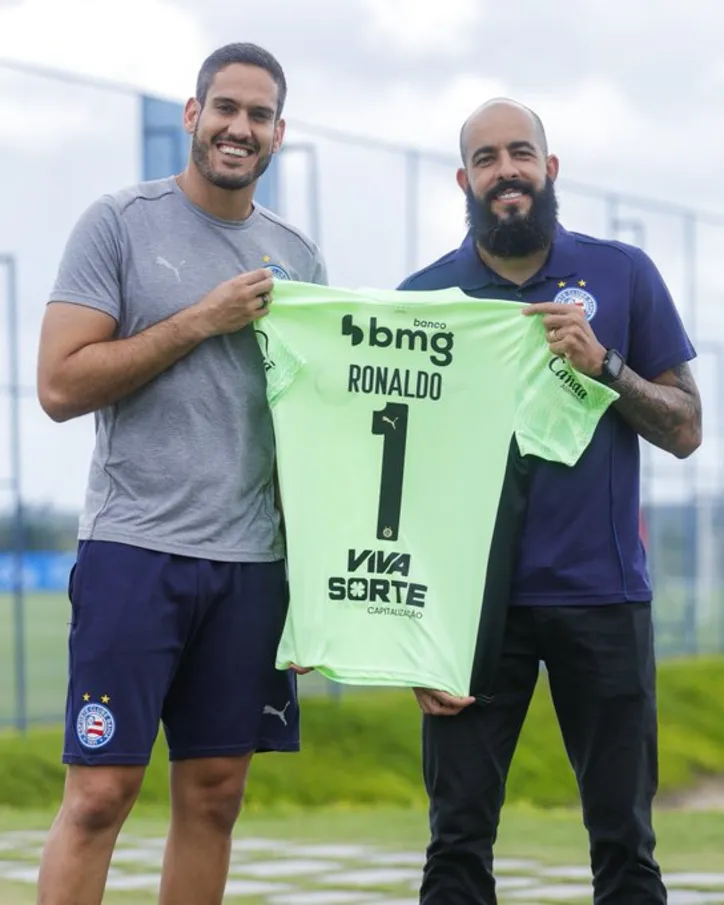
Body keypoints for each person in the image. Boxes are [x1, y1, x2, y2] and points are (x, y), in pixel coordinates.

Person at [35, 42, 326, 905]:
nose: (241, 128)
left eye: (260, 115)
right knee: (98, 796)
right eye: (225, 108)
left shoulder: (299, 257)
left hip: (249, 567)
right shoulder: (119, 222)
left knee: (215, 797)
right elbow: (58, 384)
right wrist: (199, 319)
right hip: (136, 549)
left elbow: (310, 429)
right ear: (194, 115)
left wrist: (309, 582)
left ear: (279, 134)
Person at [398, 98, 702, 905]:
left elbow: (686, 428)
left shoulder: (622, 273)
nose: (507, 172)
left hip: (602, 597)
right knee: (456, 843)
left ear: (550, 167)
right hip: (471, 615)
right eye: (488, 158)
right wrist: (415, 639)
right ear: (464, 179)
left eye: (521, 153)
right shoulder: (422, 299)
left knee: (626, 844)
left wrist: (605, 365)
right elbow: (396, 477)